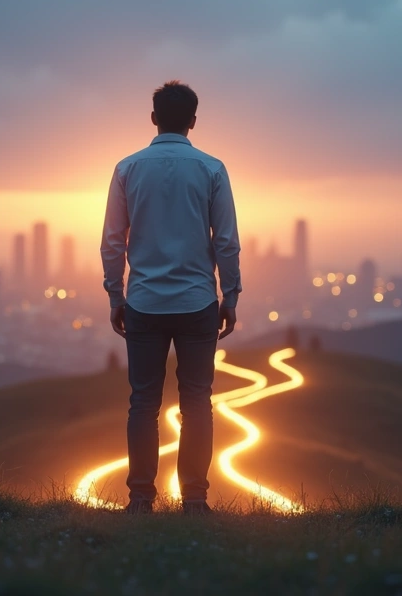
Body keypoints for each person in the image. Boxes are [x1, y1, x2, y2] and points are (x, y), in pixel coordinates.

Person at [100, 81, 242, 515]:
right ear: (194, 121)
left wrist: (115, 295)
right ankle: (195, 499)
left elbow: (112, 241)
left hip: (143, 301)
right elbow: (227, 242)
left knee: (143, 402)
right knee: (197, 401)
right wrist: (230, 294)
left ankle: (140, 497)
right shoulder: (212, 169)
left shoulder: (127, 168)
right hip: (198, 302)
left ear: (153, 118)